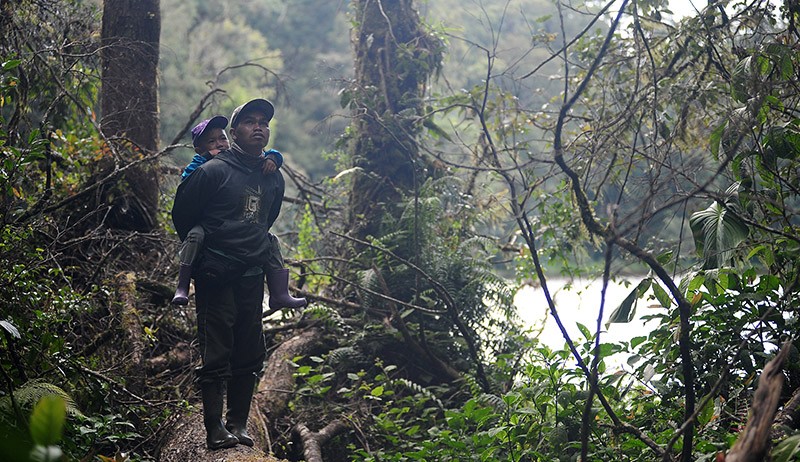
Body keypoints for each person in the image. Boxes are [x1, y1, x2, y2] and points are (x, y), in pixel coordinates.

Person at [171, 98, 305, 450]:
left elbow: (266, 219)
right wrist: (210, 250)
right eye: (250, 121)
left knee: (250, 352)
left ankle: (239, 424)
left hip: (250, 276)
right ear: (234, 133)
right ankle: (214, 428)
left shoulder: (272, 176)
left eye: (263, 122)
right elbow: (183, 218)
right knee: (215, 352)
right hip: (216, 274)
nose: (258, 126)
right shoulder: (212, 171)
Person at [170, 115, 298, 308]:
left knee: (271, 240)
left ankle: (279, 293)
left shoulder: (270, 175)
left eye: (222, 139)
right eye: (211, 142)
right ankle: (183, 285)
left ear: (229, 138)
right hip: (213, 264)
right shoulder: (205, 169)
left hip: (251, 270)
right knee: (195, 234)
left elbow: (268, 216)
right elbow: (184, 207)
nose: (219, 145)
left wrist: (274, 157)